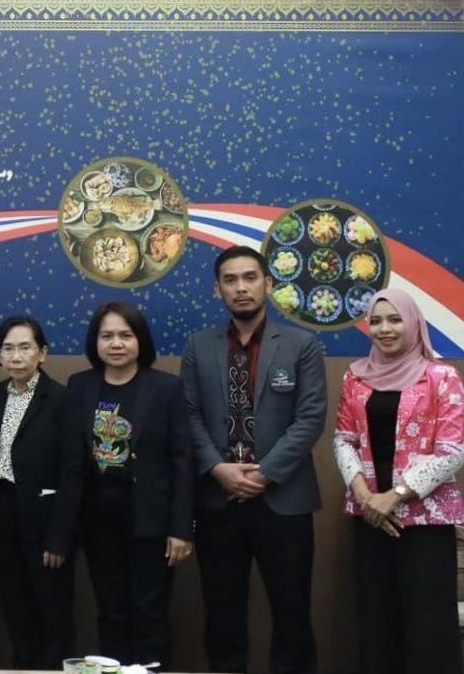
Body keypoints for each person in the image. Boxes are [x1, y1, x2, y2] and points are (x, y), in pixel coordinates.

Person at [180, 245, 326, 674]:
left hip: (283, 499)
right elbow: (188, 415)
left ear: (268, 283)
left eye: (250, 277)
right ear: (218, 290)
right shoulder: (198, 346)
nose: (241, 288)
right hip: (218, 499)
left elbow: (310, 419)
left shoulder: (301, 345)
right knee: (222, 611)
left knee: (292, 610)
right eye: (230, 280)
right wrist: (218, 468)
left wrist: (264, 473)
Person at [333, 287, 464, 674]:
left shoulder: (441, 376)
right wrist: (365, 496)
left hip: (425, 521)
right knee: (377, 621)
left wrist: (395, 496)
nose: (384, 329)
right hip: (371, 517)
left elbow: (452, 450)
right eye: (376, 321)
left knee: (429, 624)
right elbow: (343, 440)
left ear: (413, 323)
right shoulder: (356, 377)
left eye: (394, 319)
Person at [67, 301, 193, 668]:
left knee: (149, 612)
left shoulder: (166, 388)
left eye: (126, 335)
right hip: (98, 523)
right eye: (107, 336)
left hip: (151, 522)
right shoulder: (79, 385)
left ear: (141, 340)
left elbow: (182, 461)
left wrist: (181, 529)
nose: (116, 343)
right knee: (110, 612)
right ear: (95, 342)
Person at [0, 314, 81, 670]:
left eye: (25, 347)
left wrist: (60, 537)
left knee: (52, 612)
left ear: (42, 353)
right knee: (15, 608)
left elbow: (73, 471)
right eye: (8, 348)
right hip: (2, 515)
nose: (16, 356)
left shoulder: (63, 400)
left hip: (45, 519)